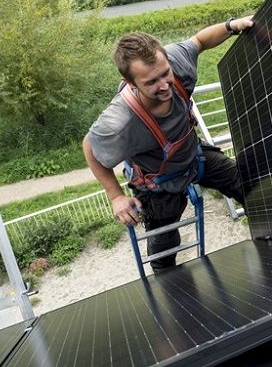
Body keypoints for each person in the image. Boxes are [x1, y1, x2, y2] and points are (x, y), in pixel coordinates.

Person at [83, 17, 252, 270]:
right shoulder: (121, 120)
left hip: (195, 158)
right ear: (131, 83)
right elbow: (90, 148)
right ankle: (172, 292)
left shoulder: (175, 61)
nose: (164, 86)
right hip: (157, 184)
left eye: (165, 74)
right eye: (151, 82)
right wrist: (115, 196)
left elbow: (200, 41)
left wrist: (231, 26)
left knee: (249, 187)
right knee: (165, 248)